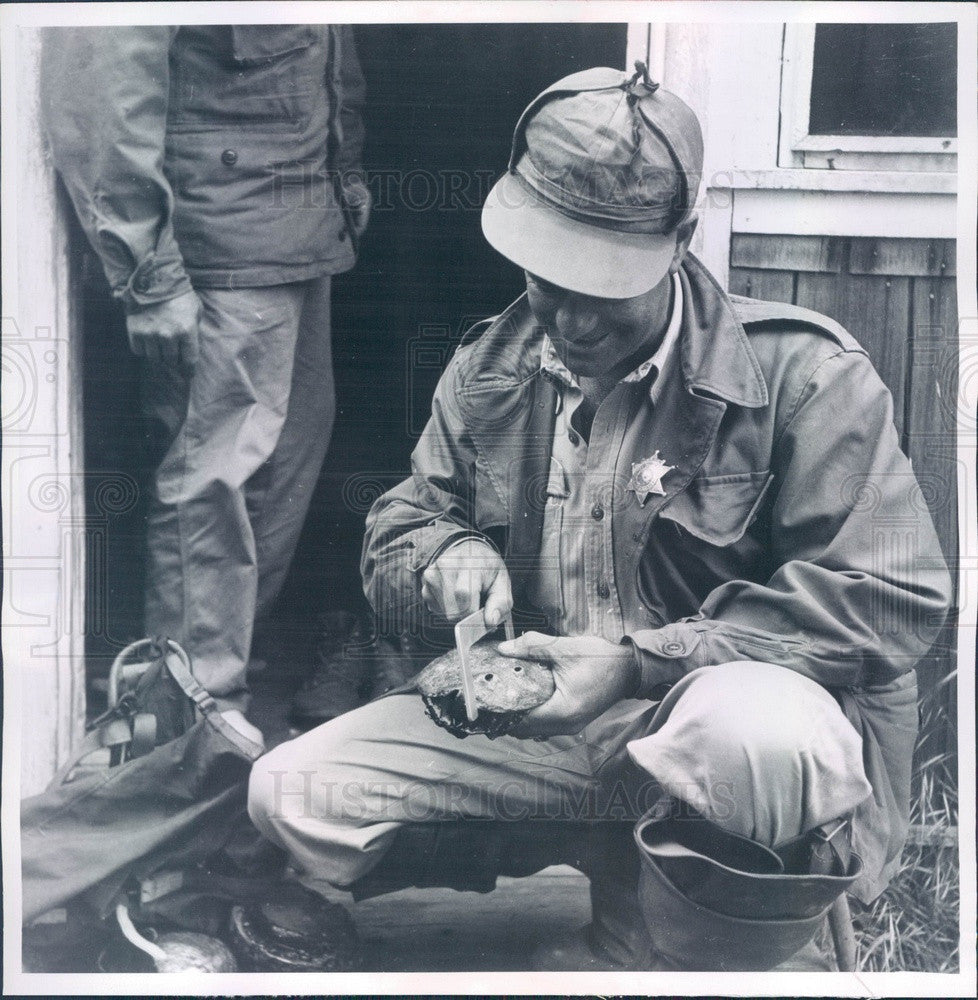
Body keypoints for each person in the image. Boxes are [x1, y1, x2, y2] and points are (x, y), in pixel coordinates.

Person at [248, 64, 951, 970]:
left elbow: (890, 599)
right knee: (290, 789)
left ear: (681, 238)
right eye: (548, 278)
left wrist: (632, 666)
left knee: (756, 732)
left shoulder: (806, 378)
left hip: (696, 735)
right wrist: (443, 553)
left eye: (601, 282)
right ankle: (607, 882)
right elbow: (402, 519)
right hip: (548, 733)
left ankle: (690, 940)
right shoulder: (489, 367)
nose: (569, 320)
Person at [41, 26, 371, 738]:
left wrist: (343, 171)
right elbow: (102, 79)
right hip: (216, 245)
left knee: (276, 481)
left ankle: (213, 705)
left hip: (296, 229)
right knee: (213, 488)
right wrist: (150, 274)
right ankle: (188, 728)